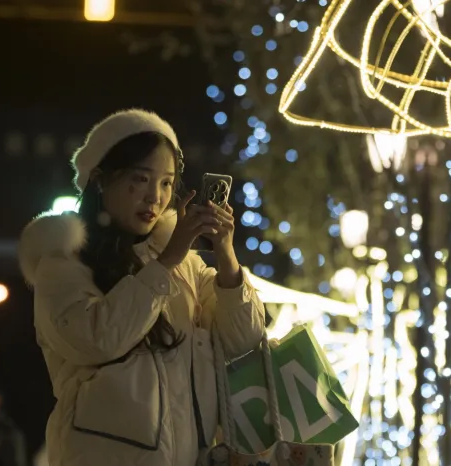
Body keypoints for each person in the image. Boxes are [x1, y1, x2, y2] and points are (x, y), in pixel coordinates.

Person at [18, 109, 266, 466]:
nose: (156, 197)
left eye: (166, 182)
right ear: (102, 180)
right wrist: (167, 261)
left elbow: (243, 339)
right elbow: (98, 339)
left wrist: (225, 252)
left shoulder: (185, 265)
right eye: (141, 179)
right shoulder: (62, 263)